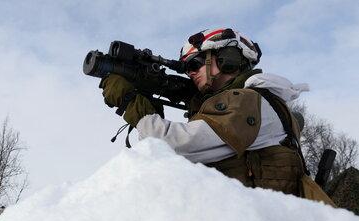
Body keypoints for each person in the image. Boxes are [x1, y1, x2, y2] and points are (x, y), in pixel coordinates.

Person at [100, 28, 334, 204]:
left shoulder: (246, 100)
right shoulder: (265, 99)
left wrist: (130, 102)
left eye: (196, 64)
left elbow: (171, 147)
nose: (190, 73)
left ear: (227, 59)